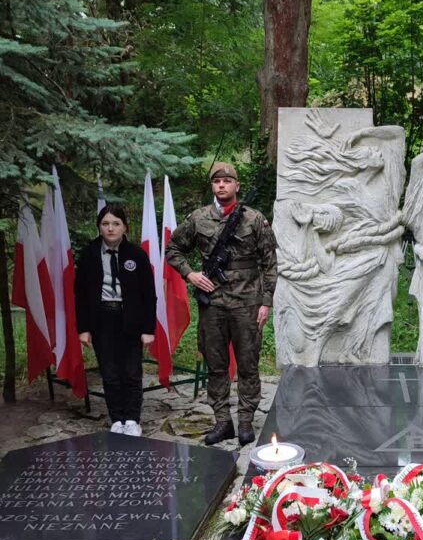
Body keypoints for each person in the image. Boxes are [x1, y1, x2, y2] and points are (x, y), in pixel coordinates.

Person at [165, 162, 277, 446]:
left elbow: (270, 263)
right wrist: (190, 274)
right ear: (213, 186)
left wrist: (266, 302)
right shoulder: (198, 218)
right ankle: (223, 422)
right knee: (216, 365)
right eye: (217, 182)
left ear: (236, 186)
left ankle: (245, 421)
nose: (222, 185)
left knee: (248, 364)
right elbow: (173, 248)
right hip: (213, 302)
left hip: (247, 302)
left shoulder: (253, 219)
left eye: (228, 181)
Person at [75, 204, 156, 436]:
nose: (110, 228)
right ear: (99, 228)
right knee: (109, 372)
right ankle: (117, 418)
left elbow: (148, 295)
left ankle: (132, 418)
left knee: (131, 371)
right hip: (102, 318)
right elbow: (79, 294)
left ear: (125, 227)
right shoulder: (90, 254)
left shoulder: (136, 255)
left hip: (129, 318)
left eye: (116, 224)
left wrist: (147, 328)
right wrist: (83, 328)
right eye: (105, 224)